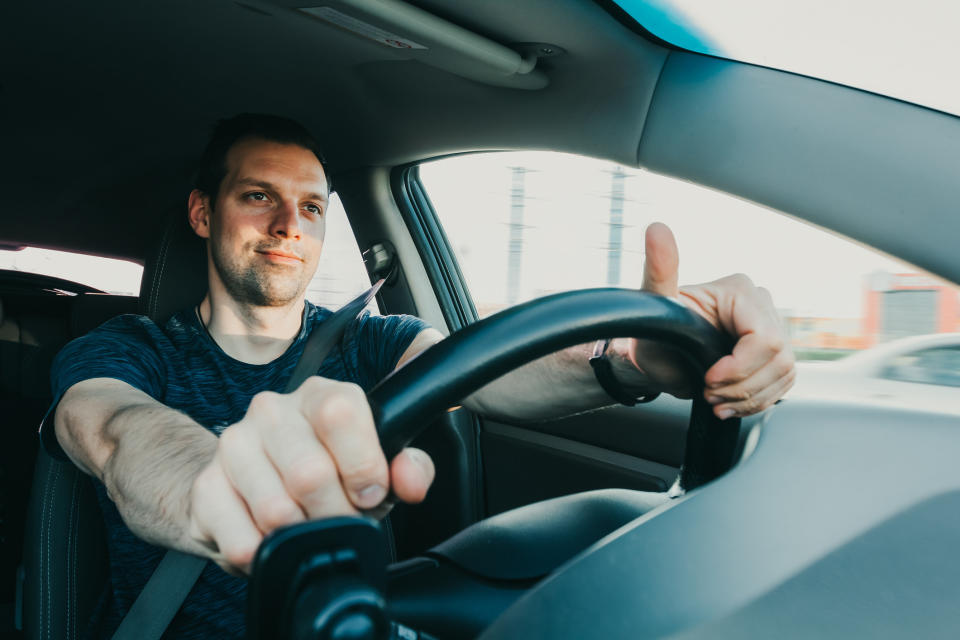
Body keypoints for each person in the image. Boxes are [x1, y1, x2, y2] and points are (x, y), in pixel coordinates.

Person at [50, 113, 795, 637]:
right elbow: (113, 432)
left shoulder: (369, 345)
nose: (288, 225)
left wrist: (630, 361)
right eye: (257, 196)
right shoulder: (131, 347)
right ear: (203, 214)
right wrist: (215, 479)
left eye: (311, 207)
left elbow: (491, 372)